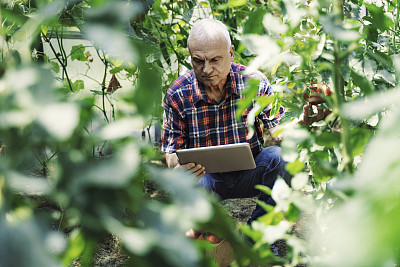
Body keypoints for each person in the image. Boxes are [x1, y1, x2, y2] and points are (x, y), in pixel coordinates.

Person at [161, 18, 292, 227]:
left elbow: (279, 131)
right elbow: (171, 152)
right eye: (198, 61)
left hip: (252, 171)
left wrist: (304, 122)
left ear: (231, 53)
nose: (206, 69)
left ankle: (258, 235)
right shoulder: (178, 94)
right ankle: (209, 242)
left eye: (215, 60)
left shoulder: (253, 83)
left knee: (280, 158)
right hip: (206, 178)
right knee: (185, 183)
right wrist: (177, 169)